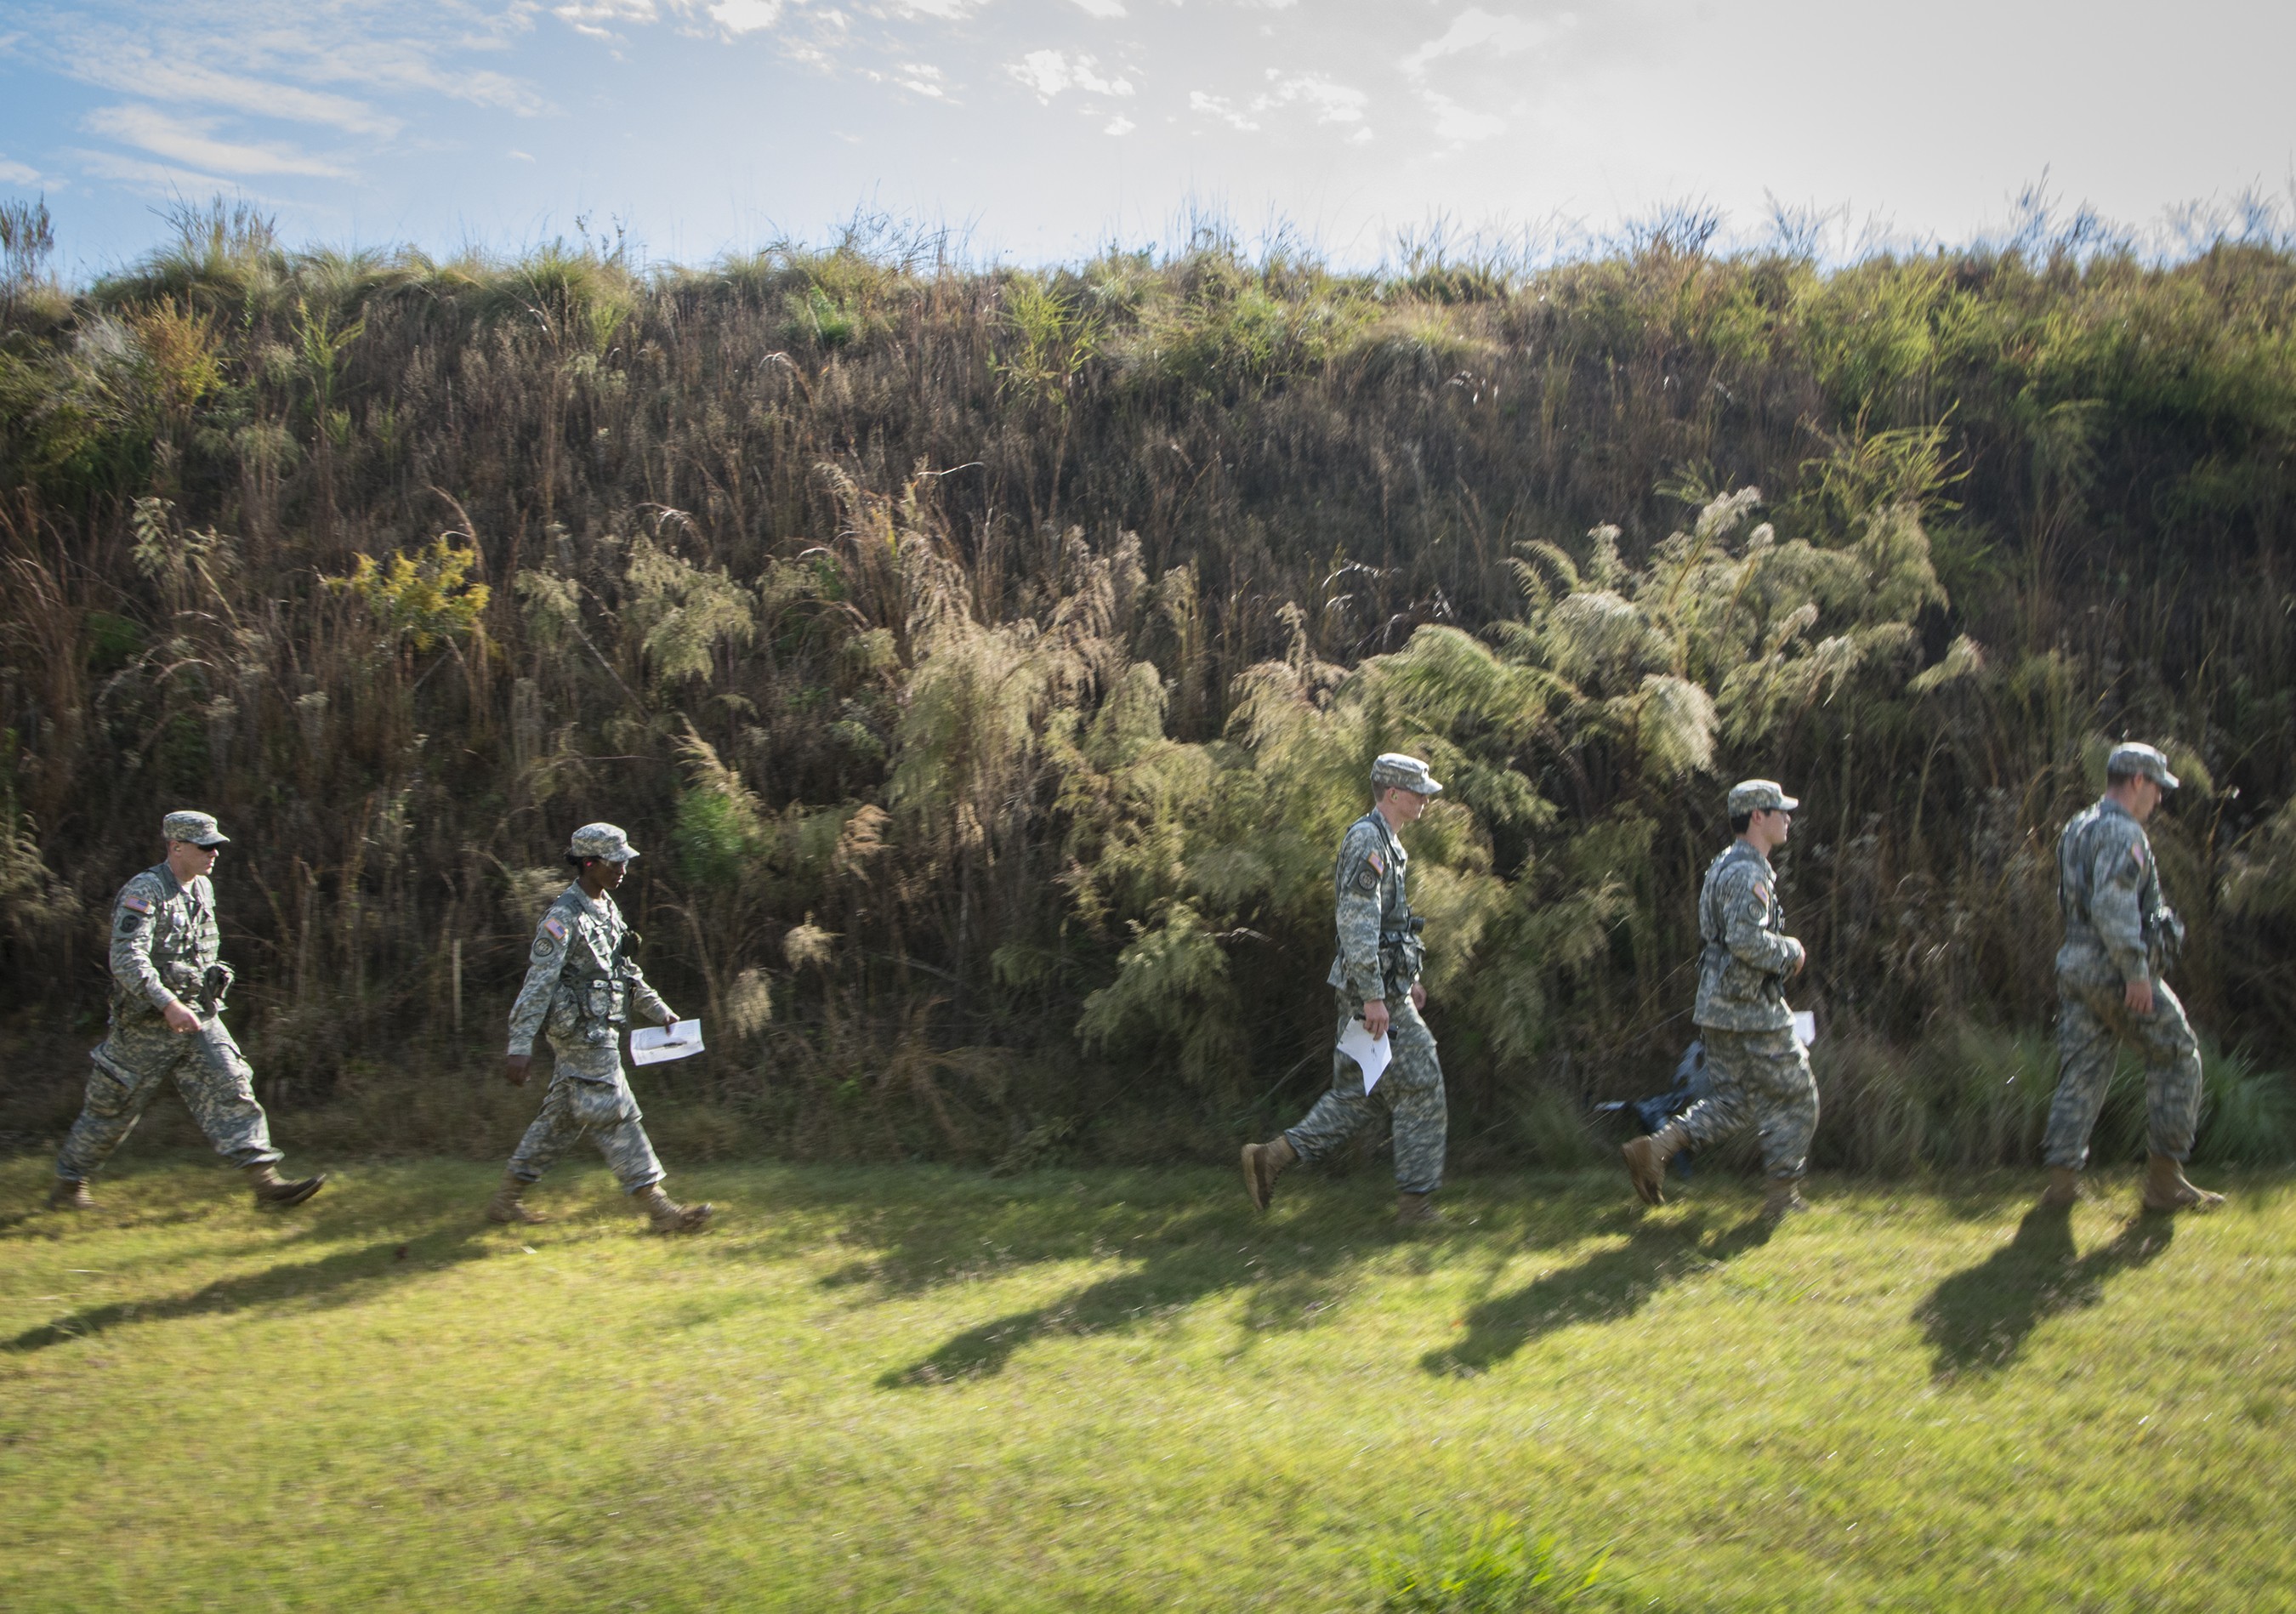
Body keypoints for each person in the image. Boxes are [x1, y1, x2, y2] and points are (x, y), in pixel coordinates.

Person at [48, 811, 325, 1212]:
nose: (214, 854)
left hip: (198, 1017)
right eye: (205, 847)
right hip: (146, 1025)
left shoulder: (203, 889)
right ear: (176, 847)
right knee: (112, 1109)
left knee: (232, 1087)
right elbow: (126, 957)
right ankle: (70, 1188)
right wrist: (168, 1003)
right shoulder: (145, 891)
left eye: (216, 846)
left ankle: (266, 1185)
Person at [1241, 753, 1450, 1225]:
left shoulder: (1389, 844)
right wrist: (1376, 997)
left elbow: (1390, 924)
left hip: (1382, 990)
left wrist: (1409, 979)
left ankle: (1270, 1157)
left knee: (1360, 1094)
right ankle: (1415, 1207)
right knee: (1423, 1086)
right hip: (1374, 997)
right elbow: (1357, 924)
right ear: (1393, 794)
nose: (1425, 799)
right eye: (1418, 792)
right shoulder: (1367, 842)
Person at [488, 821, 712, 1233]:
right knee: (614, 1111)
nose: (623, 870)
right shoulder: (563, 917)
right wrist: (519, 1044)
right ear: (589, 863)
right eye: (615, 862)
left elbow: (624, 972)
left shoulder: (609, 910)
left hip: (601, 1028)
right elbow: (538, 985)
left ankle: (505, 1201)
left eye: (625, 862)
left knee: (560, 1120)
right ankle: (662, 1211)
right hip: (580, 1034)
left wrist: (659, 1010)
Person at [2038, 742, 2221, 1213]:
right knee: (2178, 1053)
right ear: (2137, 781)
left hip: (2075, 966)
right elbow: (2112, 904)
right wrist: (2136, 974)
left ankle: (2059, 1189)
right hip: (2115, 969)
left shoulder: (2077, 827)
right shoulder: (2126, 835)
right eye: (2157, 788)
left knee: (2082, 1070)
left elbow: (2073, 901)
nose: (2159, 799)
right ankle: (2164, 1183)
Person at [1623, 780, 1819, 1217]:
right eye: (1779, 810)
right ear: (1757, 817)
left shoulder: (1723, 865)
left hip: (1719, 1004)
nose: (1787, 818)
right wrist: (1792, 951)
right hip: (1749, 1006)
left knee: (1734, 1101)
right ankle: (1782, 1199)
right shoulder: (1748, 873)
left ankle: (1657, 1148)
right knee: (1797, 1094)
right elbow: (1746, 941)